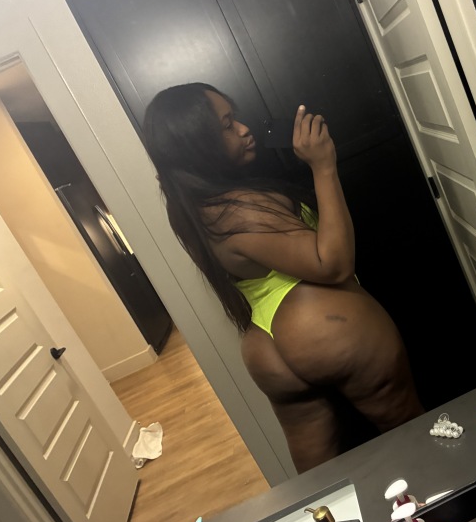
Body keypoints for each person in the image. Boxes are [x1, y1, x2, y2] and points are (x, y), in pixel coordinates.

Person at [142, 83, 424, 472]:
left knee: (321, 480)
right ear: (198, 143)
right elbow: (333, 263)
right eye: (227, 124)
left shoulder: (189, 206)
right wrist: (323, 165)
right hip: (319, 324)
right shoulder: (239, 211)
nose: (243, 129)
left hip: (265, 345)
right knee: (413, 433)